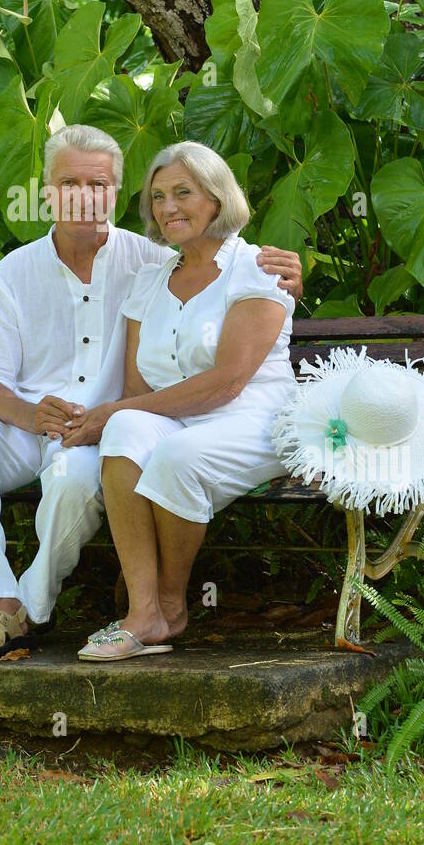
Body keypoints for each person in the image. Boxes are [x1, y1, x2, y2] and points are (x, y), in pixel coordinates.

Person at [0, 125, 302, 660]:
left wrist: (288, 279)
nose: (83, 196)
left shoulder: (152, 258)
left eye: (98, 184)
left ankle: (29, 607)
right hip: (33, 425)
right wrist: (32, 415)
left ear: (116, 192)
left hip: (105, 432)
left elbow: (225, 301)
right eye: (69, 183)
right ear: (47, 191)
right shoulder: (17, 271)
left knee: (75, 476)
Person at [68, 141, 297, 661]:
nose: (167, 206)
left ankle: (170, 606)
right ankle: (142, 610)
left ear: (217, 199)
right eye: (158, 197)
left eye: (183, 192)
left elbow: (227, 383)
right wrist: (114, 416)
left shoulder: (257, 268)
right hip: (179, 420)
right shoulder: (150, 280)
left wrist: (113, 412)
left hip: (254, 418)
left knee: (172, 453)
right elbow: (136, 391)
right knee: (125, 430)